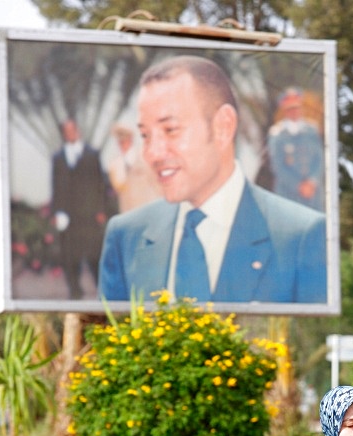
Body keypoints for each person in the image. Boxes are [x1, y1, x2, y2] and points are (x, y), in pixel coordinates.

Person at [98, 56, 327, 305]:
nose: (152, 153)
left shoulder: (300, 235)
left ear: (223, 126)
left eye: (170, 130)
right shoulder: (126, 236)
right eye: (145, 135)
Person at [51, 118, 110, 299]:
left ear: (77, 131)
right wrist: (56, 212)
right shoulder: (58, 157)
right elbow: (55, 186)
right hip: (68, 215)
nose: (69, 133)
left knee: (94, 253)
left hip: (89, 213)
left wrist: (101, 210)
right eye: (65, 131)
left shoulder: (92, 154)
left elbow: (101, 184)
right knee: (70, 255)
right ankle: (75, 291)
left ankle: (103, 290)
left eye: (72, 130)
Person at [267, 88, 324, 211]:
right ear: (285, 111)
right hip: (288, 194)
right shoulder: (277, 134)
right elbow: (277, 167)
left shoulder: (311, 130)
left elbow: (319, 159)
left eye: (297, 107)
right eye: (290, 109)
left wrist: (312, 182)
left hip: (312, 196)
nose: (294, 112)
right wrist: (299, 186)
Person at [107, 122, 162, 213]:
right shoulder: (115, 165)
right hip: (128, 212)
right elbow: (117, 189)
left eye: (125, 140)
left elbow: (157, 183)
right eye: (120, 141)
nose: (122, 144)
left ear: (131, 139)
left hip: (148, 209)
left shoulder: (145, 157)